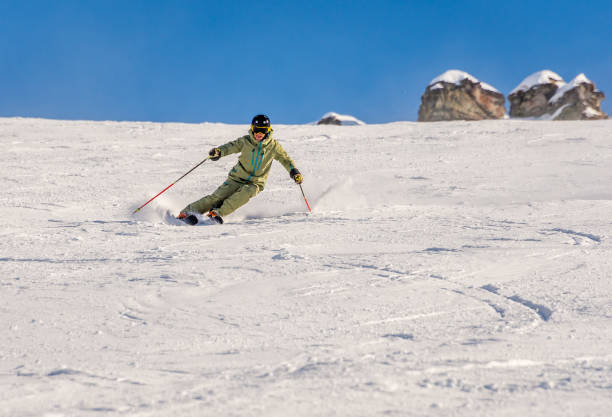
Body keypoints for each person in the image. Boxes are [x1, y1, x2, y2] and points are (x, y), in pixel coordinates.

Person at [177, 114, 303, 224]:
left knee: (242, 196)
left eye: (262, 131)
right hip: (237, 177)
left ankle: (216, 214)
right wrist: (219, 152)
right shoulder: (245, 141)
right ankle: (186, 213)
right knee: (217, 197)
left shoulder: (274, 146)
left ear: (268, 131)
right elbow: (231, 147)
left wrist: (294, 171)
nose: (259, 134)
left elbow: (285, 159)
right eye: (256, 130)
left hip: (256, 182)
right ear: (252, 129)